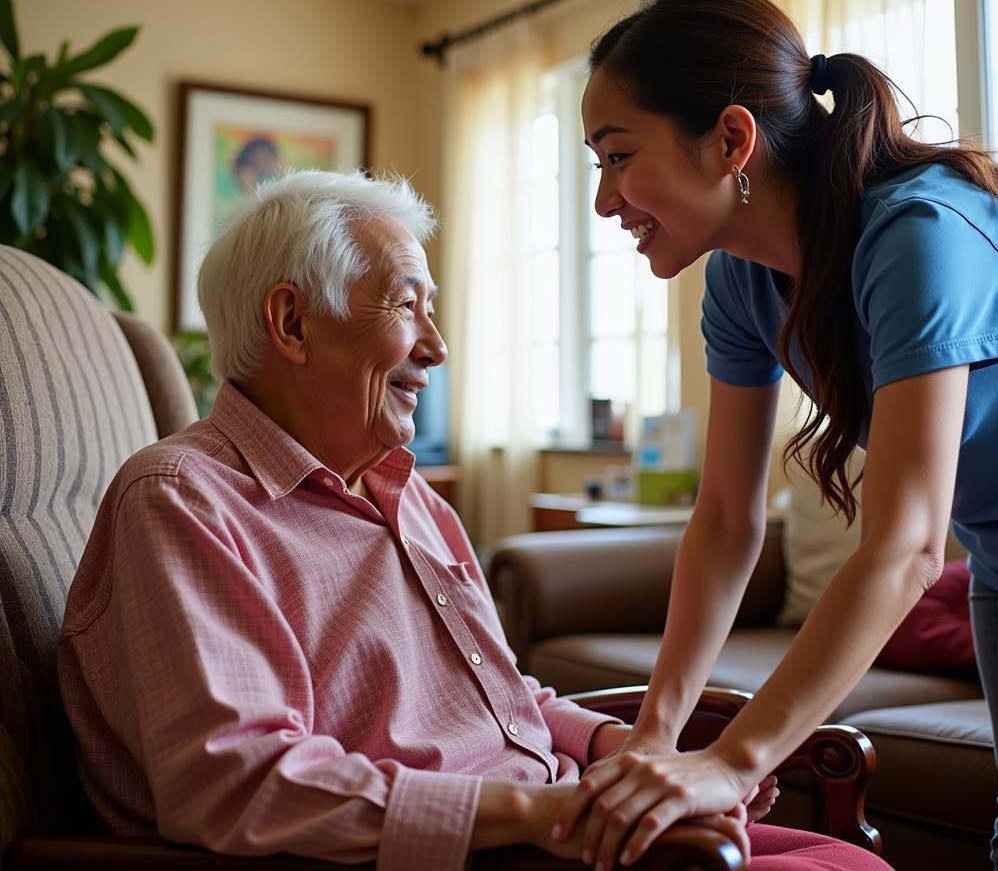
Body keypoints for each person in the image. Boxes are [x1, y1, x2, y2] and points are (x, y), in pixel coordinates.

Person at [58, 169, 892, 871]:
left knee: (849, 862)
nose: (438, 346)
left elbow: (497, 697)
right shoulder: (184, 501)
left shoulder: (410, 497)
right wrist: (544, 816)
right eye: (405, 306)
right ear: (292, 323)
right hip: (475, 848)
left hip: (553, 818)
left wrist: (628, 754)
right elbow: (240, 783)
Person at [553, 0, 998, 871]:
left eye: (617, 156)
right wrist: (658, 735)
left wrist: (735, 763)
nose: (606, 201)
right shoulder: (737, 279)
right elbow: (727, 521)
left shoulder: (920, 234)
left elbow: (908, 546)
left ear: (732, 139)